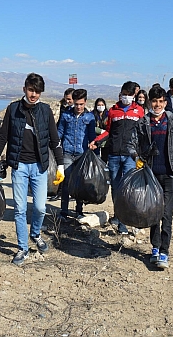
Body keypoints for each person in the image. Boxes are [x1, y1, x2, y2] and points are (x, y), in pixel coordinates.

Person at [0, 73, 64, 266]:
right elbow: (3, 137)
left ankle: (36, 234)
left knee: (40, 207)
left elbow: (54, 141)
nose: (34, 94)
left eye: (37, 91)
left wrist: (61, 166)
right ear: (24, 89)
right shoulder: (13, 109)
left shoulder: (45, 111)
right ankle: (23, 248)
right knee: (20, 210)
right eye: (31, 90)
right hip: (19, 167)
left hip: (40, 167)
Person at [136, 86, 173, 269]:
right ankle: (154, 247)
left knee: (167, 213)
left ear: (165, 102)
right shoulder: (144, 122)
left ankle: (164, 251)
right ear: (149, 102)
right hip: (151, 174)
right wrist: (138, 158)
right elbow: (134, 142)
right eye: (154, 101)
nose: (157, 104)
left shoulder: (172, 119)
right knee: (154, 211)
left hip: (170, 173)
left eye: (161, 101)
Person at [90, 81, 145, 235]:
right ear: (120, 94)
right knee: (115, 186)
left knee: (127, 187)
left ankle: (126, 220)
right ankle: (118, 216)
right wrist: (97, 141)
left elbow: (143, 134)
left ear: (133, 95)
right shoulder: (113, 112)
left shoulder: (139, 111)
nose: (126, 97)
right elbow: (108, 131)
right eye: (124, 94)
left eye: (129, 94)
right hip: (114, 154)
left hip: (130, 156)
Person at [56, 89, 96, 220]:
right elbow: (60, 132)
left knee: (79, 183)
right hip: (67, 152)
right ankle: (64, 211)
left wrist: (94, 144)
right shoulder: (65, 115)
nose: (78, 107)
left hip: (82, 154)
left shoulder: (89, 117)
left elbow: (92, 136)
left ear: (85, 102)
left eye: (81, 104)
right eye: (76, 104)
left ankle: (79, 210)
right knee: (66, 182)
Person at [92, 98, 109, 162]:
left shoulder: (108, 115)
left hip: (106, 141)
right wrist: (100, 131)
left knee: (104, 160)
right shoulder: (92, 115)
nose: (101, 106)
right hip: (95, 140)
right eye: (99, 105)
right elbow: (92, 127)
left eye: (102, 105)